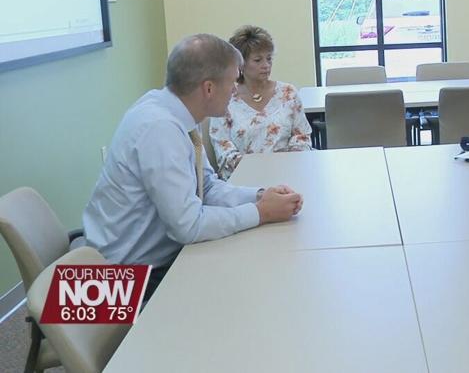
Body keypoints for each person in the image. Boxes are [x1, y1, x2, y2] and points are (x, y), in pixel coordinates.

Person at [83, 34, 304, 300]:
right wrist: (261, 213)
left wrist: (259, 195)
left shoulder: (176, 111)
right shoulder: (160, 129)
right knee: (239, 298)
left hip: (154, 259)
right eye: (233, 81)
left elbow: (206, 187)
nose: (236, 90)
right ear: (209, 89)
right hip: (121, 280)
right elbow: (188, 227)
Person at [210, 25, 312, 180]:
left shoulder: (288, 93)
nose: (266, 65)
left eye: (269, 58)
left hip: (287, 174)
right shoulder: (225, 99)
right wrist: (259, 168)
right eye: (258, 60)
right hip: (245, 180)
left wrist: (286, 162)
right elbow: (224, 150)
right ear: (241, 64)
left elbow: (302, 138)